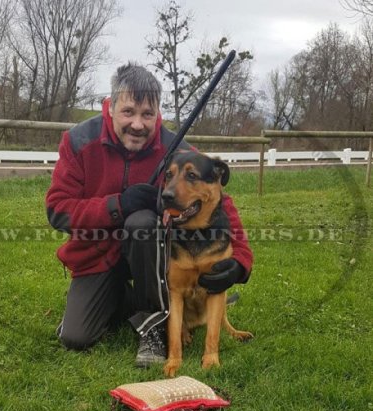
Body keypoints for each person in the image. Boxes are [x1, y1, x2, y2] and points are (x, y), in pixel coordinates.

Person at [45, 62, 253, 367]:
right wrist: (117, 205)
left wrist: (241, 262)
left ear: (158, 114)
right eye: (129, 111)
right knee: (76, 338)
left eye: (147, 114)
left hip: (152, 259)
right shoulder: (78, 141)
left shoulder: (176, 149)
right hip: (96, 256)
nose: (138, 124)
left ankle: (153, 327)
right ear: (111, 107)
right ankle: (115, 299)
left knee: (142, 222)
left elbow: (220, 201)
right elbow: (57, 210)